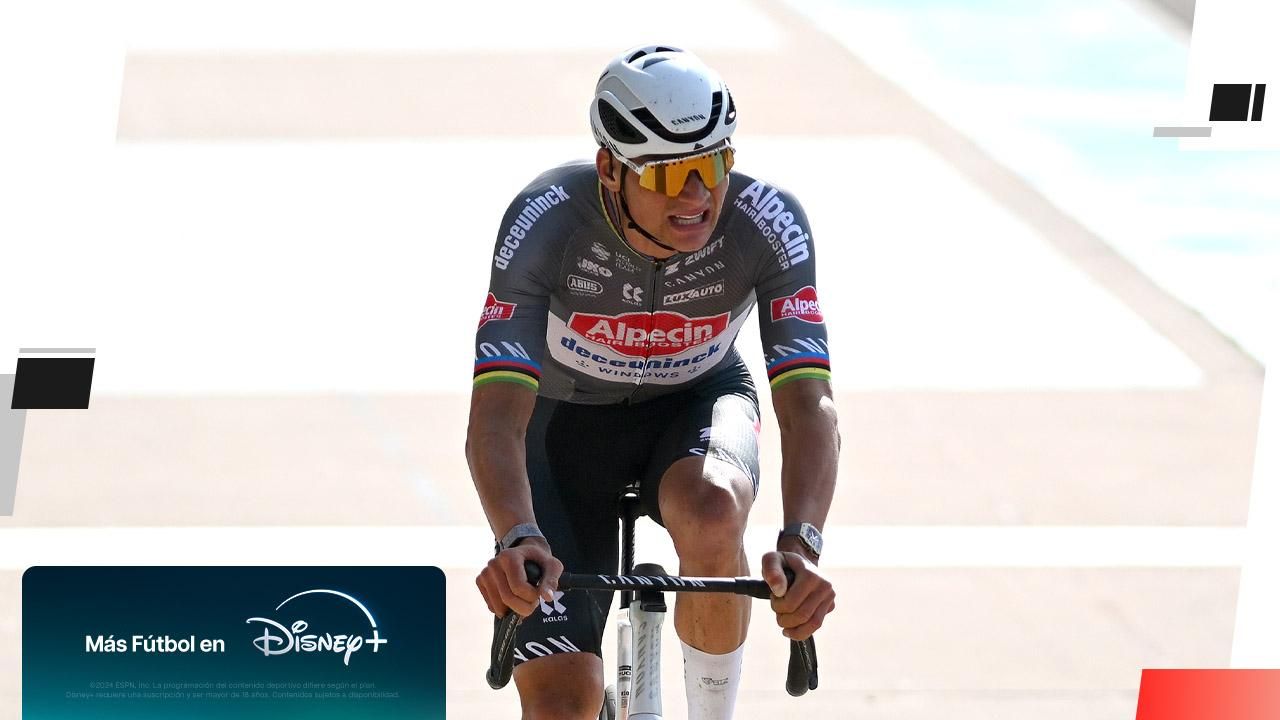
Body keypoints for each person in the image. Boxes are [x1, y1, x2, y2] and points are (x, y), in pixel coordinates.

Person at [468, 44, 838, 720]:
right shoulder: (545, 221)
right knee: (560, 706)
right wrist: (516, 534)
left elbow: (809, 401)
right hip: (564, 427)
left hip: (696, 406)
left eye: (715, 164)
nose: (698, 196)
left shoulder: (768, 222)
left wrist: (801, 542)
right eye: (670, 175)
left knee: (713, 508)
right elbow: (495, 414)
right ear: (610, 168)